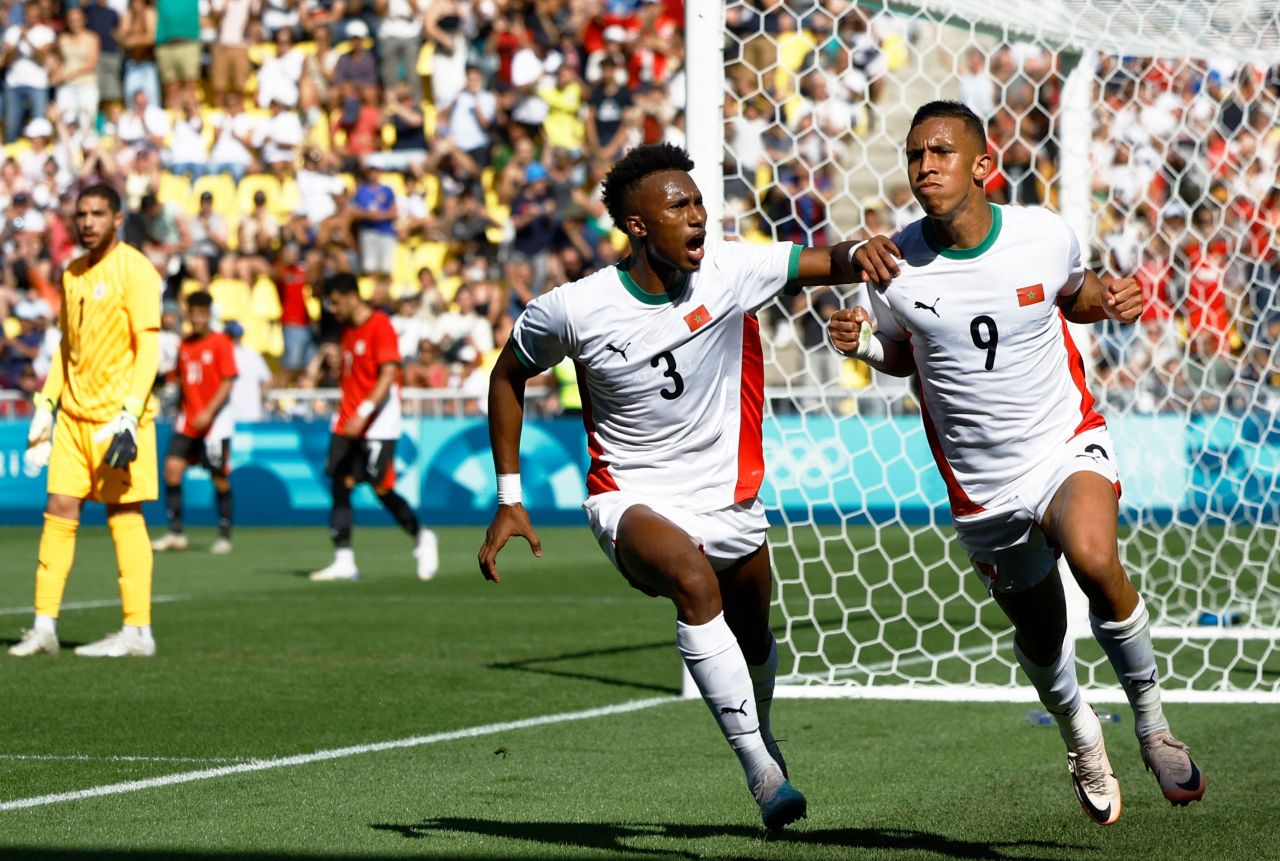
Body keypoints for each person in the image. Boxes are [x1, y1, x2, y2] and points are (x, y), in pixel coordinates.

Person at [827, 101, 1205, 825]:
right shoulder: (894, 267)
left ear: (982, 164)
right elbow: (905, 355)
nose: (924, 166)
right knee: (1041, 631)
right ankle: (1080, 734)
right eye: (914, 155)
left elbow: (1078, 295)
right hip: (982, 484)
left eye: (940, 152)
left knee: (1095, 560)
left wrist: (1112, 299)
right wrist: (863, 345)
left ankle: (1154, 727)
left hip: (1063, 442)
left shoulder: (1042, 233)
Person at [478, 143, 871, 831]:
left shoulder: (731, 267)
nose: (698, 217)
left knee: (753, 629)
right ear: (637, 226)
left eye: (699, 203)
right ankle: (761, 770)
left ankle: (764, 730)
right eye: (680, 206)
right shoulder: (575, 309)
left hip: (729, 495)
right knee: (694, 580)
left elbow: (829, 260)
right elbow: (506, 375)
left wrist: (872, 253)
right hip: (631, 497)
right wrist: (510, 495)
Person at [11, 184, 161, 658]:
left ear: (118, 219)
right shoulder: (71, 273)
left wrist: (130, 415)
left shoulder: (136, 270)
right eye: (82, 214)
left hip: (118, 420)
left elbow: (149, 347)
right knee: (58, 508)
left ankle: (138, 632)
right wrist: (44, 405)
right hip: (73, 419)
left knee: (124, 513)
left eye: (99, 213)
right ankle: (44, 627)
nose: (89, 222)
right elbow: (66, 348)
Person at [309, 273, 438, 582]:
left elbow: (388, 374)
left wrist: (363, 412)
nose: (333, 309)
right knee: (340, 483)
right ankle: (343, 559)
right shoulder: (348, 332)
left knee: (380, 487)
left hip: (377, 424)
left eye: (336, 303)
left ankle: (422, 536)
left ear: (352, 296)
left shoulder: (380, 325)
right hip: (346, 421)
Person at [152, 291, 238, 555]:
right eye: (194, 313)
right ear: (188, 315)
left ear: (209, 314)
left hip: (215, 423)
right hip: (187, 420)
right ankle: (176, 533)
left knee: (218, 477)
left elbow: (227, 380)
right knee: (172, 470)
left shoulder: (221, 342)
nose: (199, 318)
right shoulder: (184, 345)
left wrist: (209, 412)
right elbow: (175, 379)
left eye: (203, 313)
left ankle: (224, 534)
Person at [224, 320, 272, 424]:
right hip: (252, 413)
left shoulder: (222, 356)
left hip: (229, 415)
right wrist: (256, 397)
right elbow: (268, 381)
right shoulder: (253, 355)